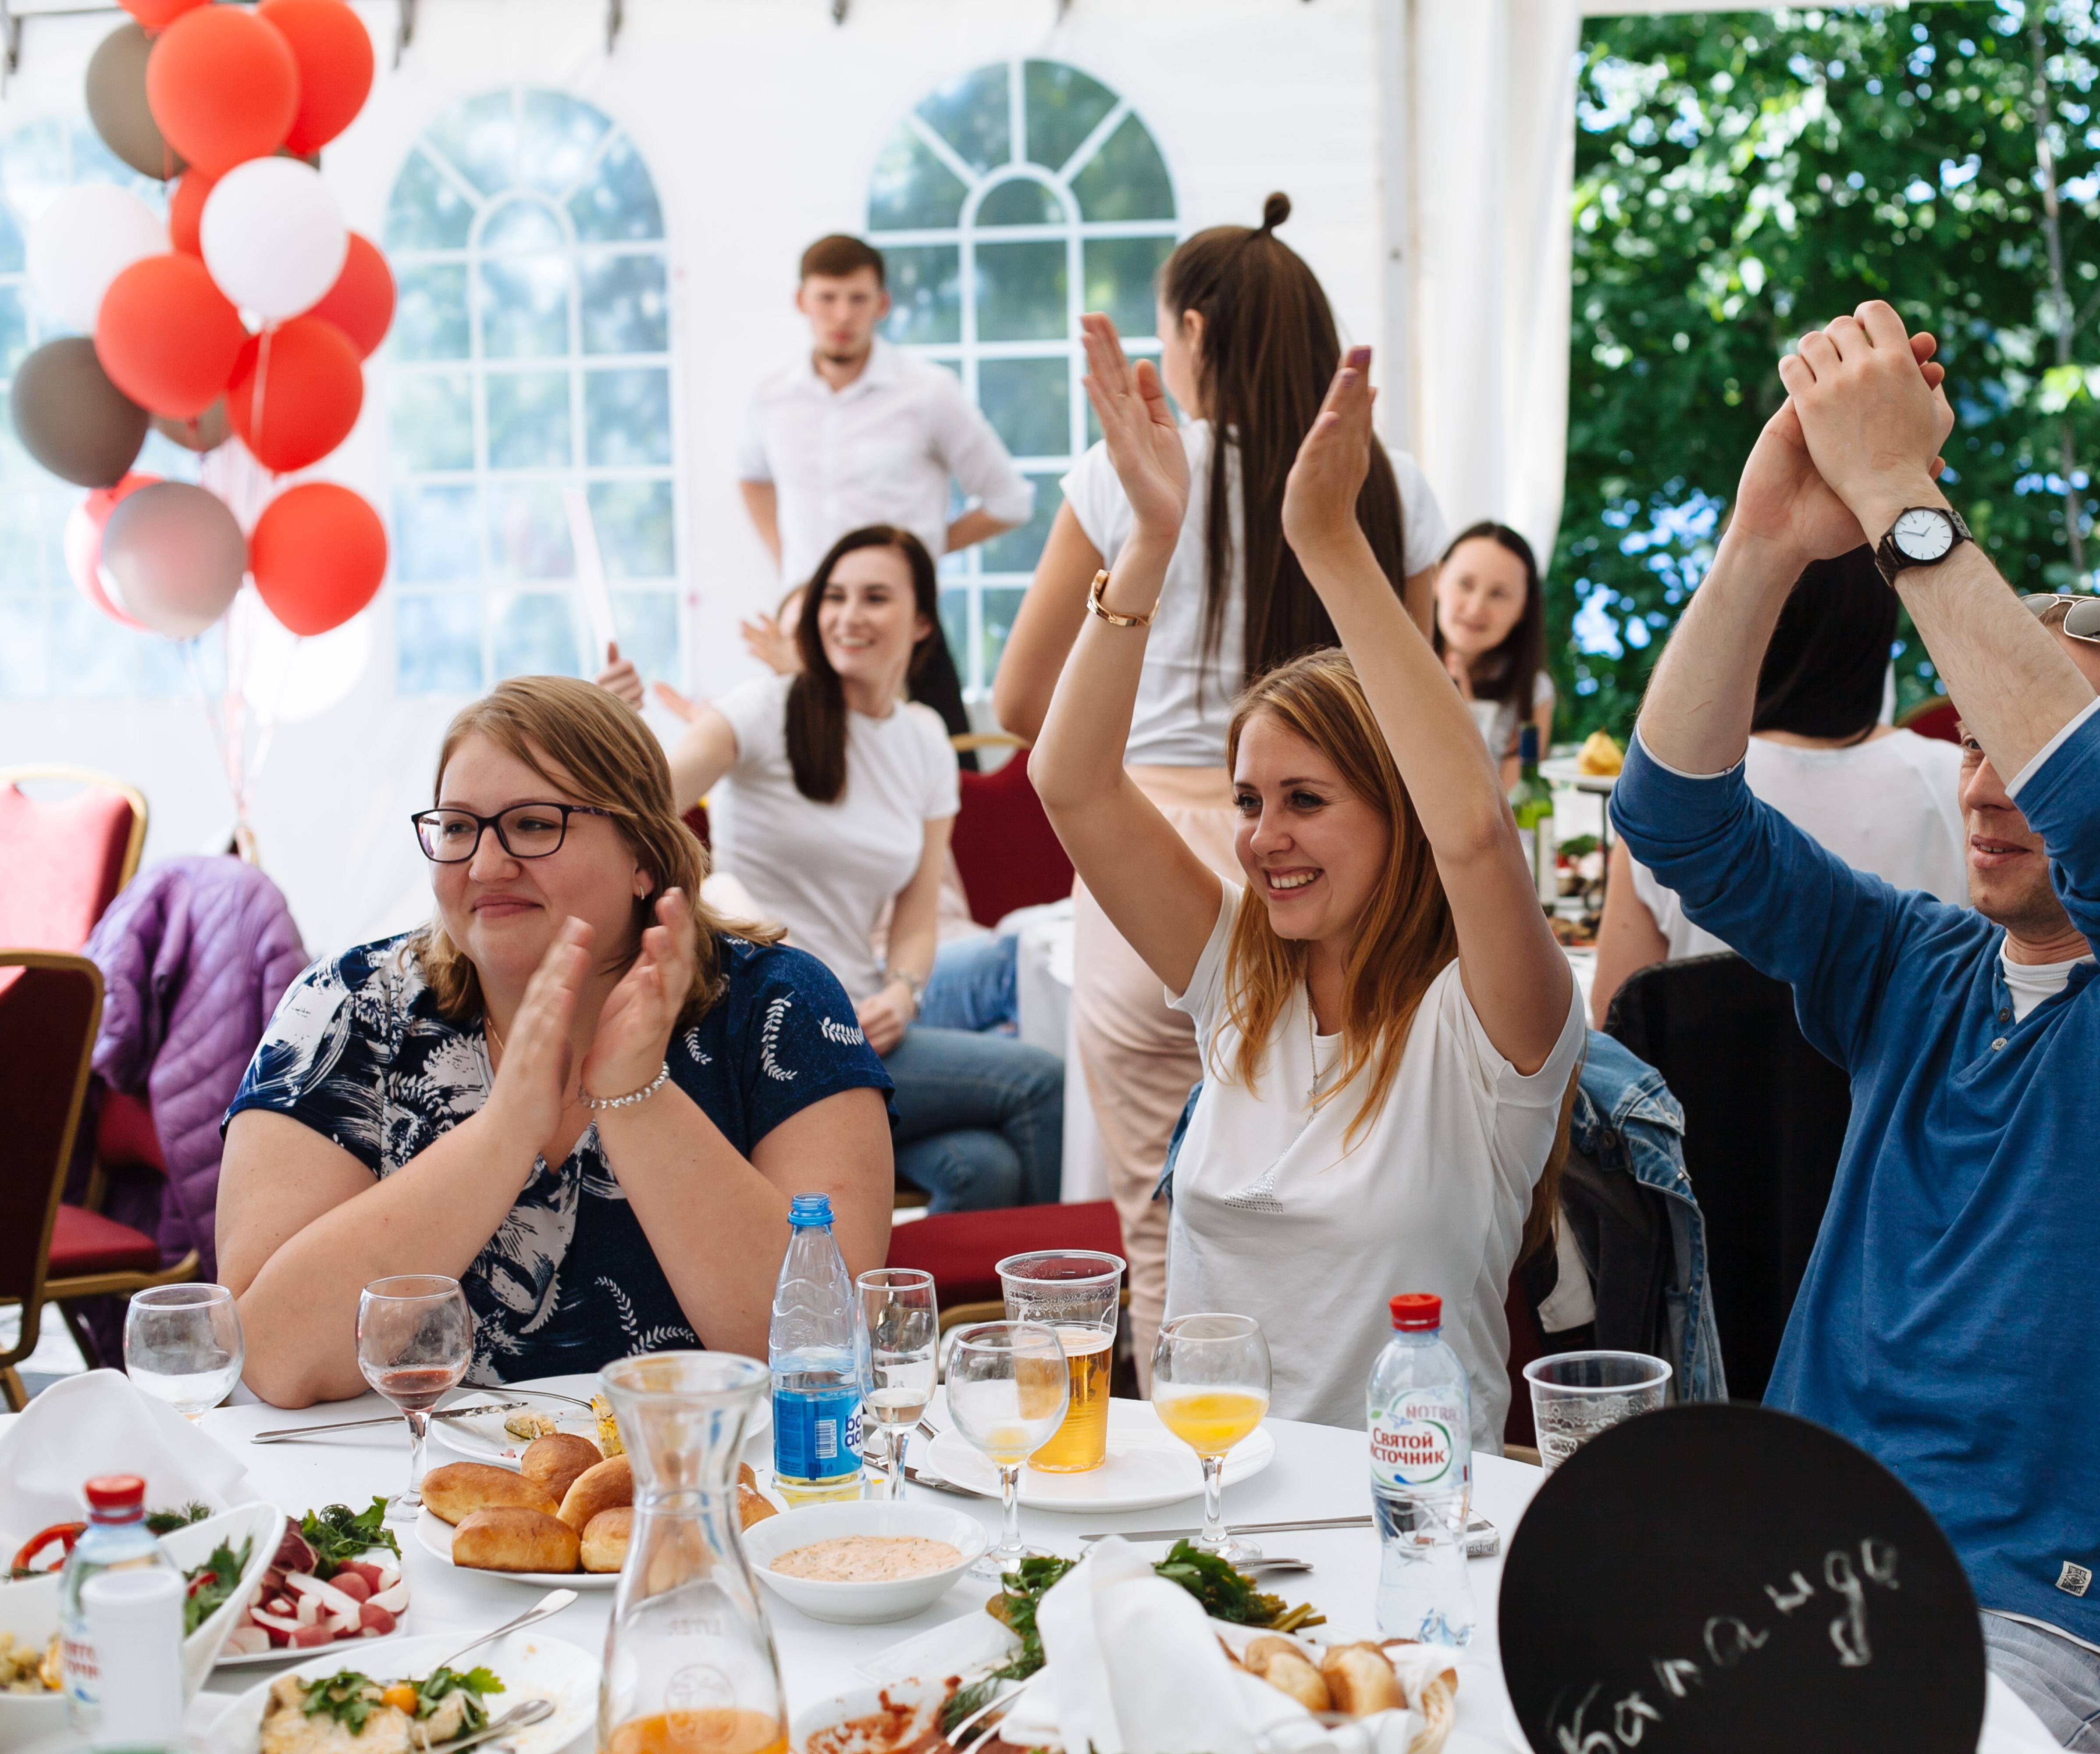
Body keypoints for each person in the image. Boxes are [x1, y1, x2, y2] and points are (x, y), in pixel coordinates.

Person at [1615, 299, 2100, 1751]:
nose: (1983, 786)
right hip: (1782, 1571)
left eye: (2022, 745)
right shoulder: (1911, 964)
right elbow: (1670, 812)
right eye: (1970, 739)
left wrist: (1907, 507)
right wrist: (1764, 546)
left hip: (2029, 1636)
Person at [1029, 314, 1578, 1452]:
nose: (1263, 837)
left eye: (1307, 800)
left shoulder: (1486, 1027)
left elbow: (1475, 830)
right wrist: (1149, 537)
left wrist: (1330, 543)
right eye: (1247, 801)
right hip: (1210, 1520)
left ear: (1399, 810)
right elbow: (1071, 782)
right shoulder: (1241, 975)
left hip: (1405, 1536)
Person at [991, 194, 1451, 1370]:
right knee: (1356, 1176)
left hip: (1143, 846)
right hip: (1339, 858)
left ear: (1194, 334)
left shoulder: (1130, 477)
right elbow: (1417, 719)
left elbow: (1019, 703)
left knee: (1159, 1212)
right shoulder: (1384, 485)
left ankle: (1199, 1471)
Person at [215, 677, 894, 1404]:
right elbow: (274, 1357)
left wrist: (635, 1096)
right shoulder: (350, 1008)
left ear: (645, 856)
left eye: (535, 825)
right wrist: (506, 1132)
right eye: (456, 828)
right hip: (404, 1491)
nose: (484, 865)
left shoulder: (777, 1006)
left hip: (709, 1488)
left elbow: (829, 1354)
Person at [656, 526, 1063, 1212]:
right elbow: (646, 802)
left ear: (923, 621)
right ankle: (1068, 1308)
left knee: (984, 1170)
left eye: (875, 597)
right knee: (1043, 1082)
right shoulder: (764, 708)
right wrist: (716, 890)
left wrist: (903, 994)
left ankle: (897, 1321)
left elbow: (914, 915)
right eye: (835, 597)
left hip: (863, 1018)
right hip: (777, 1019)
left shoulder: (926, 739)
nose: (849, 616)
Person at [1588, 545, 1966, 1027]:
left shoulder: (1673, 794)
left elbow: (1614, 1031)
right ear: (1881, 617)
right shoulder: (1961, 783)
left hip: (1701, 1099)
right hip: (1911, 1097)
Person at [736, 234, 1035, 587]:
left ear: (883, 304)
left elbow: (1010, 502)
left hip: (902, 617)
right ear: (802, 302)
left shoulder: (930, 392)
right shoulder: (770, 396)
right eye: (827, 298)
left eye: (858, 299)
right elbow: (752, 476)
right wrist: (784, 559)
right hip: (804, 616)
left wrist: (916, 556)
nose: (843, 315)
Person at [1433, 520, 1553, 789]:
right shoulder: (1390, 669)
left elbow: (1511, 811)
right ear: (1437, 578)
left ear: (1524, 608)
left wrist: (1467, 721)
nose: (1476, 608)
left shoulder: (1533, 692)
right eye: (1465, 584)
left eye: (1499, 594)